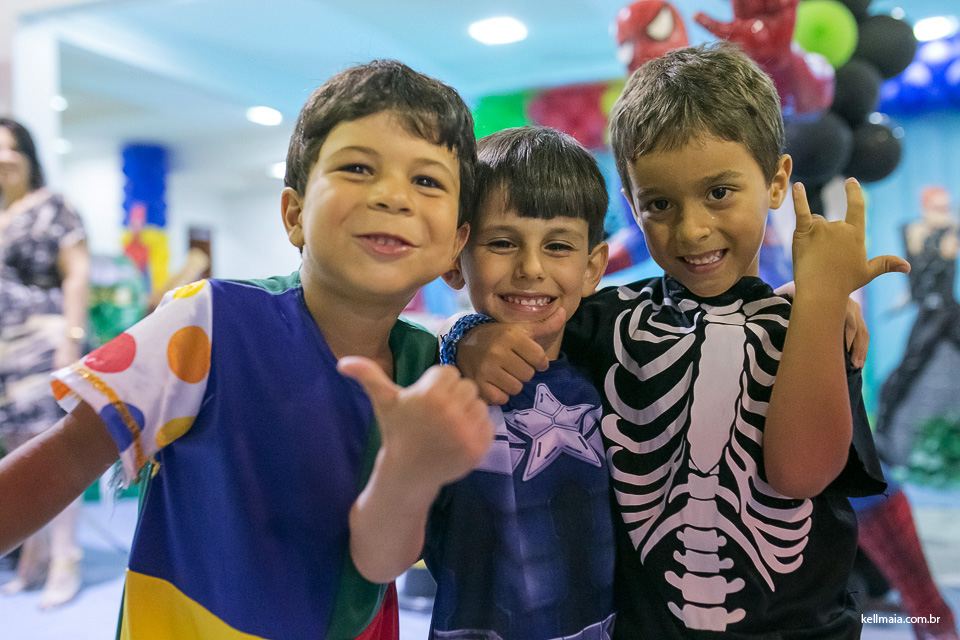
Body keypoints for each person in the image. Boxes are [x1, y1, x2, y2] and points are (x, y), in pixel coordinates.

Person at [0, 60, 493, 640]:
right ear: (294, 214)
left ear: (456, 246)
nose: (392, 196)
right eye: (358, 167)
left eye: (427, 181)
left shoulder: (428, 372)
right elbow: (67, 455)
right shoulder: (206, 321)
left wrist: (410, 473)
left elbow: (378, 566)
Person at [448, 42, 909, 639]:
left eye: (719, 192)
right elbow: (522, 316)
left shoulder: (810, 325)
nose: (691, 229)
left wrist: (821, 304)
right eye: (659, 203)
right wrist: (467, 335)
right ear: (631, 204)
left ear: (776, 181)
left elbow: (801, 474)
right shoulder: (607, 320)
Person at [425, 126, 615, 639]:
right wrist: (460, 336)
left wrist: (801, 303)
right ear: (454, 257)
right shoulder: (434, 381)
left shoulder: (615, 359)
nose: (531, 268)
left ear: (593, 266)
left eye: (558, 246)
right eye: (502, 242)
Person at [0, 117, 90, 609]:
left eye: (8, 148)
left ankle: (65, 559)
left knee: (52, 451)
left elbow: (77, 275)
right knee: (18, 453)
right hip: (6, 352)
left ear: (28, 154)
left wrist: (70, 342)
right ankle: (30, 557)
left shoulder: (53, 206)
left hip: (45, 341)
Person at [874, 185, 960, 465]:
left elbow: (942, 264)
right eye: (937, 207)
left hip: (947, 312)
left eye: (945, 207)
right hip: (929, 313)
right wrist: (905, 297)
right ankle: (883, 434)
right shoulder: (912, 230)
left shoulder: (950, 231)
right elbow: (918, 277)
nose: (943, 213)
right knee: (906, 369)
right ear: (925, 207)